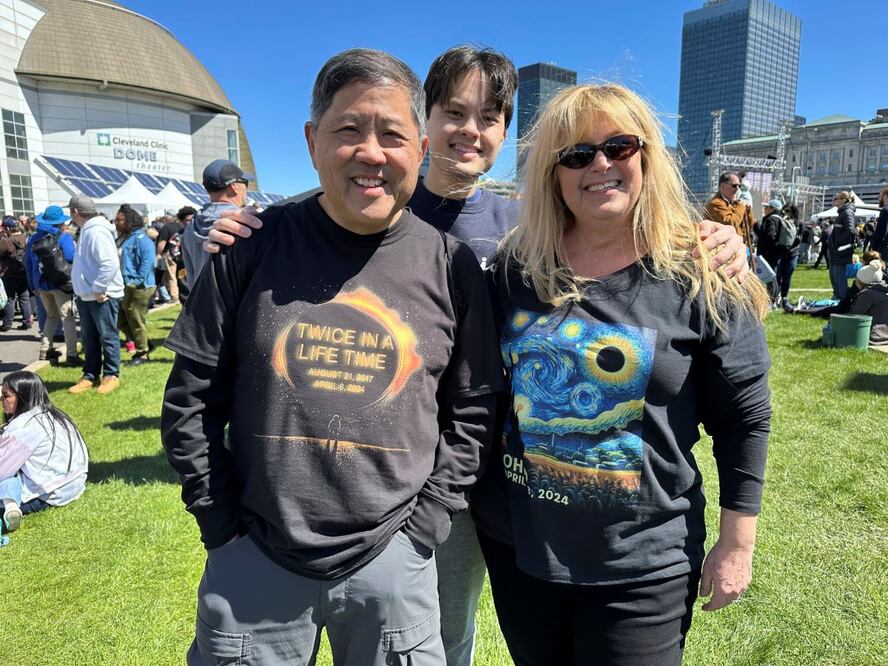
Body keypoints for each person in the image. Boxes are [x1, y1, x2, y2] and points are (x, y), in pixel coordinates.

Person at [205, 45, 753, 666]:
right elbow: (304, 233)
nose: (471, 131)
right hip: (392, 472)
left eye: (491, 117)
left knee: (439, 632)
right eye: (454, 113)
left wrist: (716, 235)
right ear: (425, 123)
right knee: (423, 623)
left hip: (492, 474)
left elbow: (620, 236)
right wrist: (227, 226)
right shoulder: (379, 198)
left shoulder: (527, 219)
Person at [161, 48, 504, 665]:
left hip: (393, 563)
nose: (371, 152)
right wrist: (219, 522)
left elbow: (474, 406)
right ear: (312, 140)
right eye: (349, 130)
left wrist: (424, 527)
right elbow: (191, 398)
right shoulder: (248, 248)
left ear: (419, 150)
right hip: (255, 559)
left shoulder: (450, 267)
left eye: (392, 134)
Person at [472, 83, 771, 666]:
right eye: (577, 155)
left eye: (619, 146)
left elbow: (745, 419)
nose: (600, 165)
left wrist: (738, 544)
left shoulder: (703, 271)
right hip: (522, 550)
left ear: (647, 155)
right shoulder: (517, 265)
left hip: (644, 562)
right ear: (554, 174)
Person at [0, 371, 89, 538]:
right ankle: (11, 507)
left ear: (23, 397)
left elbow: (2, 469)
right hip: (74, 485)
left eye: (6, 396)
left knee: (8, 477)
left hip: (49, 493)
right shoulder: (51, 414)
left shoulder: (23, 427)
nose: (1, 400)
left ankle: (11, 506)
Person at [68, 195, 125, 395]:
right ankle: (90, 374)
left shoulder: (96, 231)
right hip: (88, 295)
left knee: (107, 335)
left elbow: (109, 263)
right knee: (89, 338)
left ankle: (111, 375)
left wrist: (99, 288)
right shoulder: (87, 230)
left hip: (101, 294)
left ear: (75, 212)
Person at [181, 160, 252, 289]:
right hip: (240, 306)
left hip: (202, 303)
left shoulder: (190, 226)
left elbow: (190, 271)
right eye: (245, 183)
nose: (247, 189)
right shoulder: (245, 224)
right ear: (234, 186)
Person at [24, 205, 78, 364]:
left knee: (51, 317)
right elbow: (70, 257)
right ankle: (72, 355)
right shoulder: (64, 237)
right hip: (60, 284)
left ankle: (45, 350)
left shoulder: (33, 238)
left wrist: (32, 284)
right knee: (67, 318)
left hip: (41, 284)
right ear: (60, 222)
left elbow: (27, 263)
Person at [116, 204, 156, 366]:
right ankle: (146, 344)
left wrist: (136, 281)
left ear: (129, 221)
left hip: (140, 286)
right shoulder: (127, 238)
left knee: (135, 320)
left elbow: (148, 262)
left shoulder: (142, 239)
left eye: (119, 220)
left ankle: (143, 353)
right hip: (129, 285)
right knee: (122, 320)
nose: (116, 223)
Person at [705, 171, 755, 252]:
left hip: (736, 247)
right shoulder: (715, 204)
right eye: (734, 186)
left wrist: (748, 211)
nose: (737, 189)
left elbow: (749, 224)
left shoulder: (734, 204)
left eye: (739, 186)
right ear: (722, 186)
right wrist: (741, 206)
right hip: (722, 250)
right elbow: (731, 222)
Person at [156, 207, 196, 304]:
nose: (190, 222)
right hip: (183, 266)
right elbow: (174, 251)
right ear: (182, 221)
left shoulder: (199, 232)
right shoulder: (179, 235)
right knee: (184, 287)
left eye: (193, 219)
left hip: (199, 265)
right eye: (188, 220)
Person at [0, 215, 33, 331]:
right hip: (23, 273)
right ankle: (27, 322)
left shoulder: (5, 241)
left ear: (8, 228)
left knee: (10, 299)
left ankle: (7, 324)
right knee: (24, 298)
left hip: (9, 274)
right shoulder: (25, 238)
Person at [849, 260, 888, 345]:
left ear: (862, 281)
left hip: (877, 335)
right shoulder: (883, 289)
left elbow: (854, 315)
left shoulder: (866, 294)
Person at [828, 191, 857, 299]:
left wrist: (836, 243)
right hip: (836, 251)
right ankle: (837, 297)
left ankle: (842, 300)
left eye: (836, 198)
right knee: (834, 276)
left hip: (840, 251)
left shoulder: (847, 212)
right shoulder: (842, 212)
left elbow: (850, 231)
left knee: (839, 277)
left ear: (843, 200)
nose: (833, 200)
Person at [871, 186, 888, 257]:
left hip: (883, 248)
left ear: (885, 197)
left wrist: (875, 246)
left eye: (880, 196)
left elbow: (882, 232)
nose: (878, 198)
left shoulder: (885, 210)